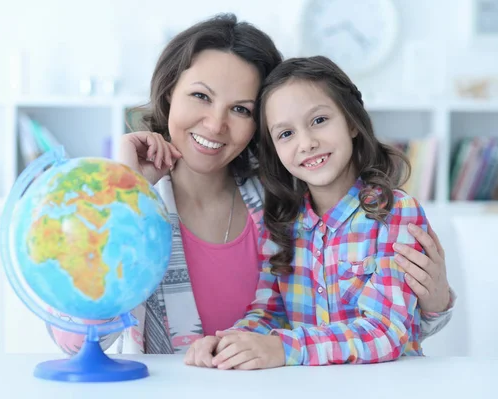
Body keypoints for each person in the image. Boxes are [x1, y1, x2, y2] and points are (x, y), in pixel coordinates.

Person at [48, 14, 454, 356]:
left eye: (240, 109)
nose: (215, 124)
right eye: (201, 96)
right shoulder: (128, 197)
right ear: (169, 94)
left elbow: (384, 326)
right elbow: (74, 342)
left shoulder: (283, 200)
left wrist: (434, 304)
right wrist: (126, 188)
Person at [186, 55, 446, 370]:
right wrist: (227, 343)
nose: (307, 143)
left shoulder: (396, 214)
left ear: (351, 121)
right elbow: (270, 313)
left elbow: (385, 332)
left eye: (319, 120)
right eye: (286, 134)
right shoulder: (282, 222)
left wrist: (283, 348)